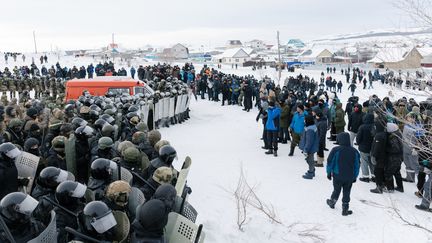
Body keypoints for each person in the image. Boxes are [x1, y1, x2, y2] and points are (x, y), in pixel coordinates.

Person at [326, 132, 360, 216]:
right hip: (349, 176)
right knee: (347, 191)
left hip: (337, 175)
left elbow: (330, 162)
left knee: (336, 189)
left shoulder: (335, 150)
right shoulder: (354, 151)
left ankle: (332, 202)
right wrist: (355, 176)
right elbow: (357, 165)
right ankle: (345, 208)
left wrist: (329, 172)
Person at [385, 123, 404, 192]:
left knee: (389, 172)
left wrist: (386, 149)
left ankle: (390, 188)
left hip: (394, 158)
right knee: (397, 172)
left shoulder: (393, 137)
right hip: (399, 157)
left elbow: (395, 149)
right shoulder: (398, 134)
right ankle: (400, 187)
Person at [356, 114, 375, 182]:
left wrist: (358, 143)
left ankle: (365, 177)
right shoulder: (374, 126)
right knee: (372, 162)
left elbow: (358, 138)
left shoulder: (362, 127)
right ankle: (374, 176)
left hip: (364, 148)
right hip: (373, 148)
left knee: (364, 162)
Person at [299, 115, 319, 179]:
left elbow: (309, 141)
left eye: (305, 120)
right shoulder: (311, 127)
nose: (304, 121)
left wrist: (306, 149)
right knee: (309, 159)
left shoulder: (310, 129)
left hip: (310, 148)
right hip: (311, 147)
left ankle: (311, 172)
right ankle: (312, 170)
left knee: (310, 160)